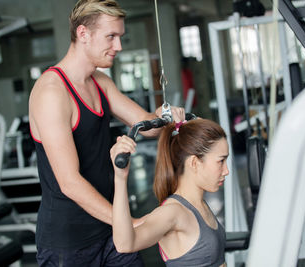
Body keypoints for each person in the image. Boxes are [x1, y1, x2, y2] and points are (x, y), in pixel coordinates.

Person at [28, 0, 184, 266]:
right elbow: (69, 183)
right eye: (111, 37)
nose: (119, 47)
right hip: (69, 242)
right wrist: (131, 222)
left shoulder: (101, 82)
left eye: (120, 37)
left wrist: (165, 116)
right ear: (83, 34)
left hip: (111, 230)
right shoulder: (52, 91)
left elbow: (145, 126)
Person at [111, 118, 228, 267]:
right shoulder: (173, 212)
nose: (226, 170)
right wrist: (120, 178)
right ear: (194, 163)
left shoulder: (200, 204)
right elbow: (124, 244)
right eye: (221, 161)